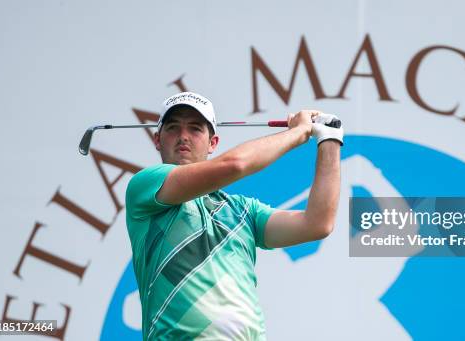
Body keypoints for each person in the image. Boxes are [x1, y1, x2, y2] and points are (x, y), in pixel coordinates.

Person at [125, 91, 343, 340]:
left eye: (195, 129)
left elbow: (317, 223)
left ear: (213, 143)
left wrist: (330, 139)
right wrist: (297, 133)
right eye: (173, 127)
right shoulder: (145, 188)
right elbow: (234, 165)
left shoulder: (244, 211)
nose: (183, 136)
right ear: (157, 139)